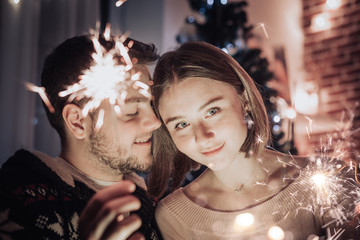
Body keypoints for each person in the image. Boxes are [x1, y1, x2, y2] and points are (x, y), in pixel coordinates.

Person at [146, 41, 360, 239]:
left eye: (212, 111)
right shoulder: (174, 217)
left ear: (244, 100)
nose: (202, 137)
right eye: (181, 124)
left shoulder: (328, 179)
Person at [0, 34, 163, 240]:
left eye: (151, 105)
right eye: (130, 111)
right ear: (77, 121)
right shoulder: (16, 202)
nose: (155, 121)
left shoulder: (158, 206)